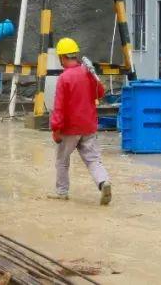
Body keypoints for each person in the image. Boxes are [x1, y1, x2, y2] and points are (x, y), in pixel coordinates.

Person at [48, 37, 112, 205]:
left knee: (62, 160)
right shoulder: (87, 72)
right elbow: (100, 93)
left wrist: (56, 128)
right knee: (92, 159)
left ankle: (62, 192)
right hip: (88, 126)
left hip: (70, 129)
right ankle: (103, 182)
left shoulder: (64, 78)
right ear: (75, 55)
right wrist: (94, 76)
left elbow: (59, 107)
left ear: (62, 57)